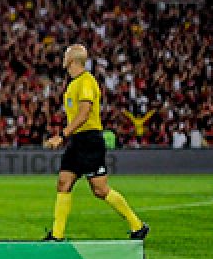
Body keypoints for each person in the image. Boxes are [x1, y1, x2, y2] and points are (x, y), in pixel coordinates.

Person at [43, 44, 149, 241]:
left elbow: (84, 114)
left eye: (65, 55)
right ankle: (57, 236)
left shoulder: (86, 81)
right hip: (77, 140)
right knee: (63, 183)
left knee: (100, 189)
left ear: (72, 60)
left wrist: (62, 135)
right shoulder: (73, 83)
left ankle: (137, 225)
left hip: (90, 140)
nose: (63, 58)